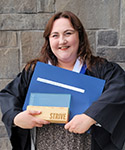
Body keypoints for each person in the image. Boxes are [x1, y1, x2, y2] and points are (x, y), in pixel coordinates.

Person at [0, 11, 125, 150]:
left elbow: (120, 87)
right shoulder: (35, 71)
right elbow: (8, 94)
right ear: (48, 40)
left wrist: (91, 117)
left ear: (80, 36)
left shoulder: (99, 69)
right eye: (55, 35)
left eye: (68, 33)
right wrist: (16, 118)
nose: (62, 41)